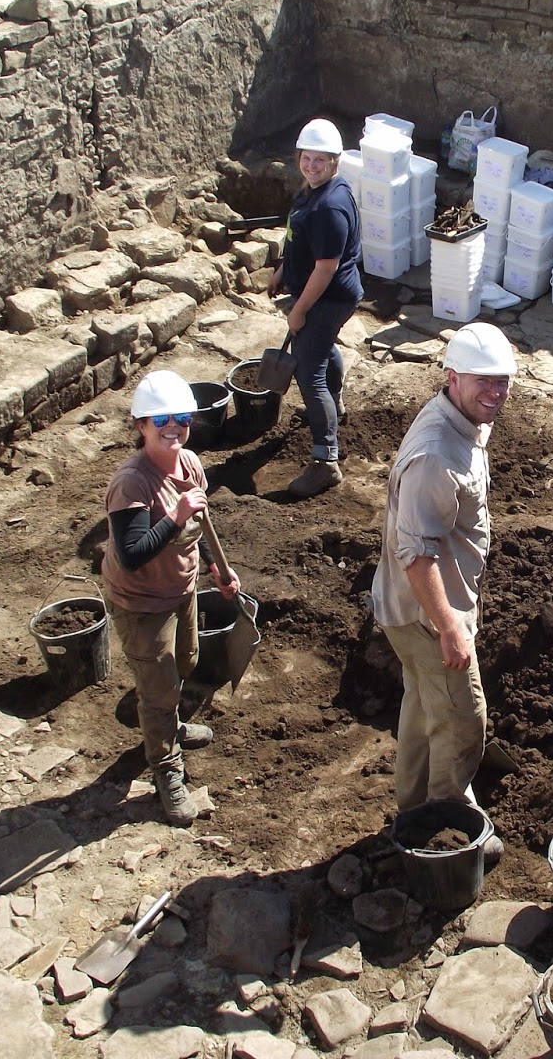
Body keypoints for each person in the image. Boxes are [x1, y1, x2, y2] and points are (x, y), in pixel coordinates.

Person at [371, 323, 515, 863]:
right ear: (452, 377)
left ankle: (411, 809)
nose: (495, 393)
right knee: (462, 720)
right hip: (428, 615)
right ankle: (447, 829)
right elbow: (416, 553)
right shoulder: (436, 454)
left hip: (417, 611)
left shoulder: (466, 418)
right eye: (484, 382)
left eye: (503, 383)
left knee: (424, 706)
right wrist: (451, 627)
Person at [102, 371, 240, 827]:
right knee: (158, 690)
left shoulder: (190, 464)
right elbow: (134, 553)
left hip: (181, 589)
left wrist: (218, 569)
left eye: (182, 418)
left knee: (186, 661)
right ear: (141, 424)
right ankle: (165, 768)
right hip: (142, 601)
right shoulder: (132, 483)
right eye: (161, 419)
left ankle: (172, 726)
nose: (173, 427)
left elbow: (201, 529)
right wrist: (177, 515)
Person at [268, 118, 364, 499]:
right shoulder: (313, 191)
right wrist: (282, 270)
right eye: (306, 158)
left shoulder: (329, 207)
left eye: (320, 160)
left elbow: (326, 268)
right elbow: (300, 243)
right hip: (320, 294)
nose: (311, 166)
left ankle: (326, 461)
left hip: (328, 299)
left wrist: (299, 310)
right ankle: (335, 405)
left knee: (310, 375)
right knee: (322, 349)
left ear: (335, 162)